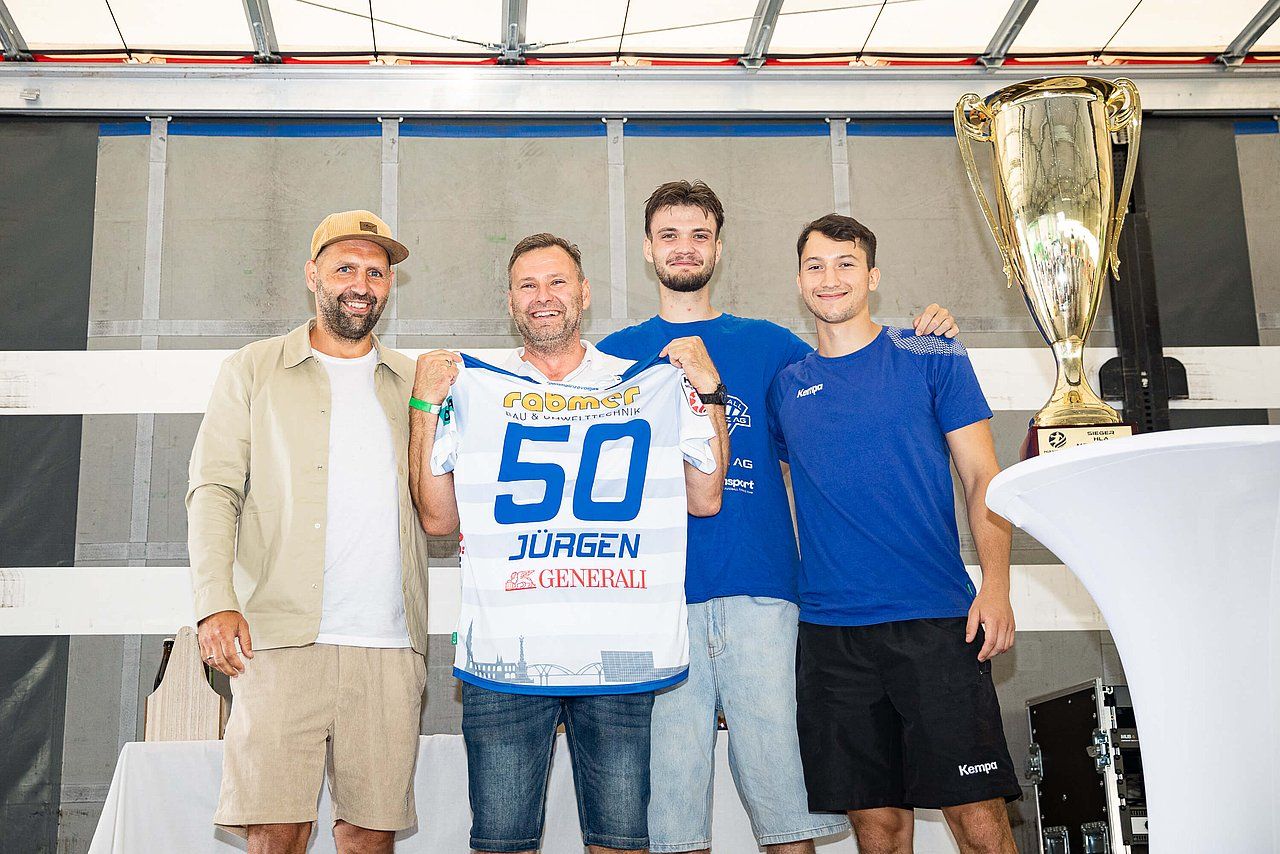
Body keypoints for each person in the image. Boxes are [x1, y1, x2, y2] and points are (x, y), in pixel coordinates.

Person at [597, 181, 958, 854]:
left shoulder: (771, 347)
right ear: (648, 249)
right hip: (658, 603)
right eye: (669, 235)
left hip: (765, 596)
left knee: (788, 816)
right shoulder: (613, 356)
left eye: (699, 235)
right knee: (671, 823)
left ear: (719, 248)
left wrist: (921, 336)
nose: (684, 247)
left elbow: (854, 380)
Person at [407, 232, 729, 854]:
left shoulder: (641, 381)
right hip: (505, 656)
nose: (543, 296)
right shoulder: (472, 387)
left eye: (557, 282)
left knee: (620, 842)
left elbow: (706, 496)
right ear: (510, 301)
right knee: (501, 843)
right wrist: (424, 406)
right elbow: (438, 519)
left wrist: (709, 389)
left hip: (617, 652)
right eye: (527, 285)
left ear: (584, 294)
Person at [768, 213, 1021, 854]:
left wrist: (996, 586)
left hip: (934, 621)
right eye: (815, 266)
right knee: (877, 827)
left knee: (978, 819)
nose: (830, 278)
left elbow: (982, 476)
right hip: (830, 636)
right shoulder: (787, 386)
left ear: (873, 277)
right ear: (799, 281)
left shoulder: (930, 353)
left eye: (846, 264)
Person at [188, 210, 429, 854]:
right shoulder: (252, 369)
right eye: (345, 267)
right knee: (276, 831)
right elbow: (213, 490)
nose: (361, 283)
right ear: (312, 275)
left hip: (388, 642)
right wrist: (215, 602)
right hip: (277, 638)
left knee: (370, 835)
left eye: (375, 272)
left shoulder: (414, 383)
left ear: (389, 285)